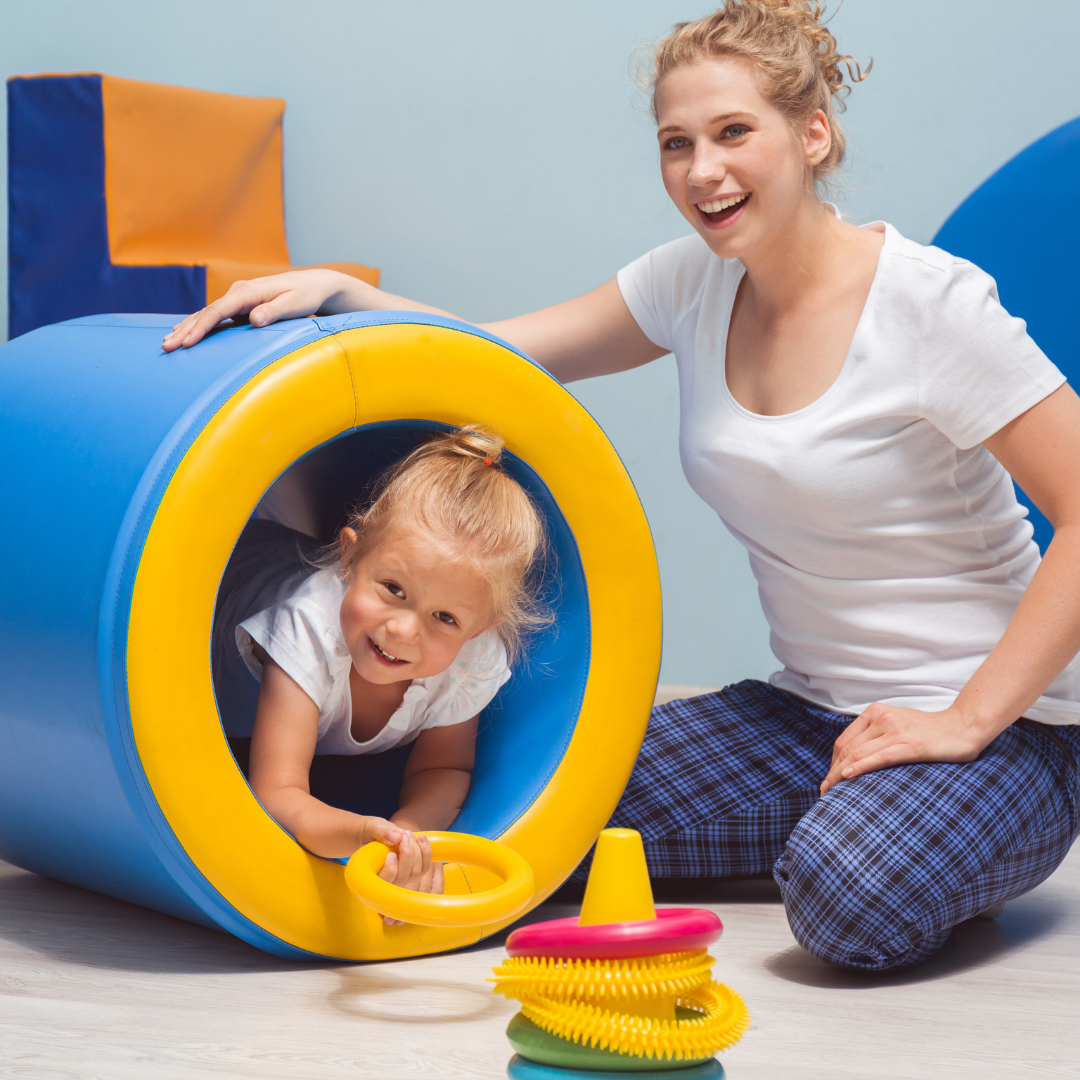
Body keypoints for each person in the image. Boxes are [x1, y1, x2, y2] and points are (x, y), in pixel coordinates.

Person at [166, 0, 1080, 971]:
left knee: (851, 899)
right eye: (676, 143)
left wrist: (966, 719)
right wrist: (342, 295)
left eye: (734, 133)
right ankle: (865, 825)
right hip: (806, 716)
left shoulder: (930, 305)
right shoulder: (691, 283)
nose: (703, 171)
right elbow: (500, 358)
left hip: (1002, 725)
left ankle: (922, 834)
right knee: (527, 811)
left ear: (813, 134)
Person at [213, 426, 547, 922]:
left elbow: (443, 769)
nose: (405, 629)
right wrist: (361, 835)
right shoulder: (309, 629)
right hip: (227, 571)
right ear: (349, 555)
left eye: (446, 618)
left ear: (480, 628)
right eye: (393, 588)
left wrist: (405, 838)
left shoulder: (471, 660)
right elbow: (276, 793)